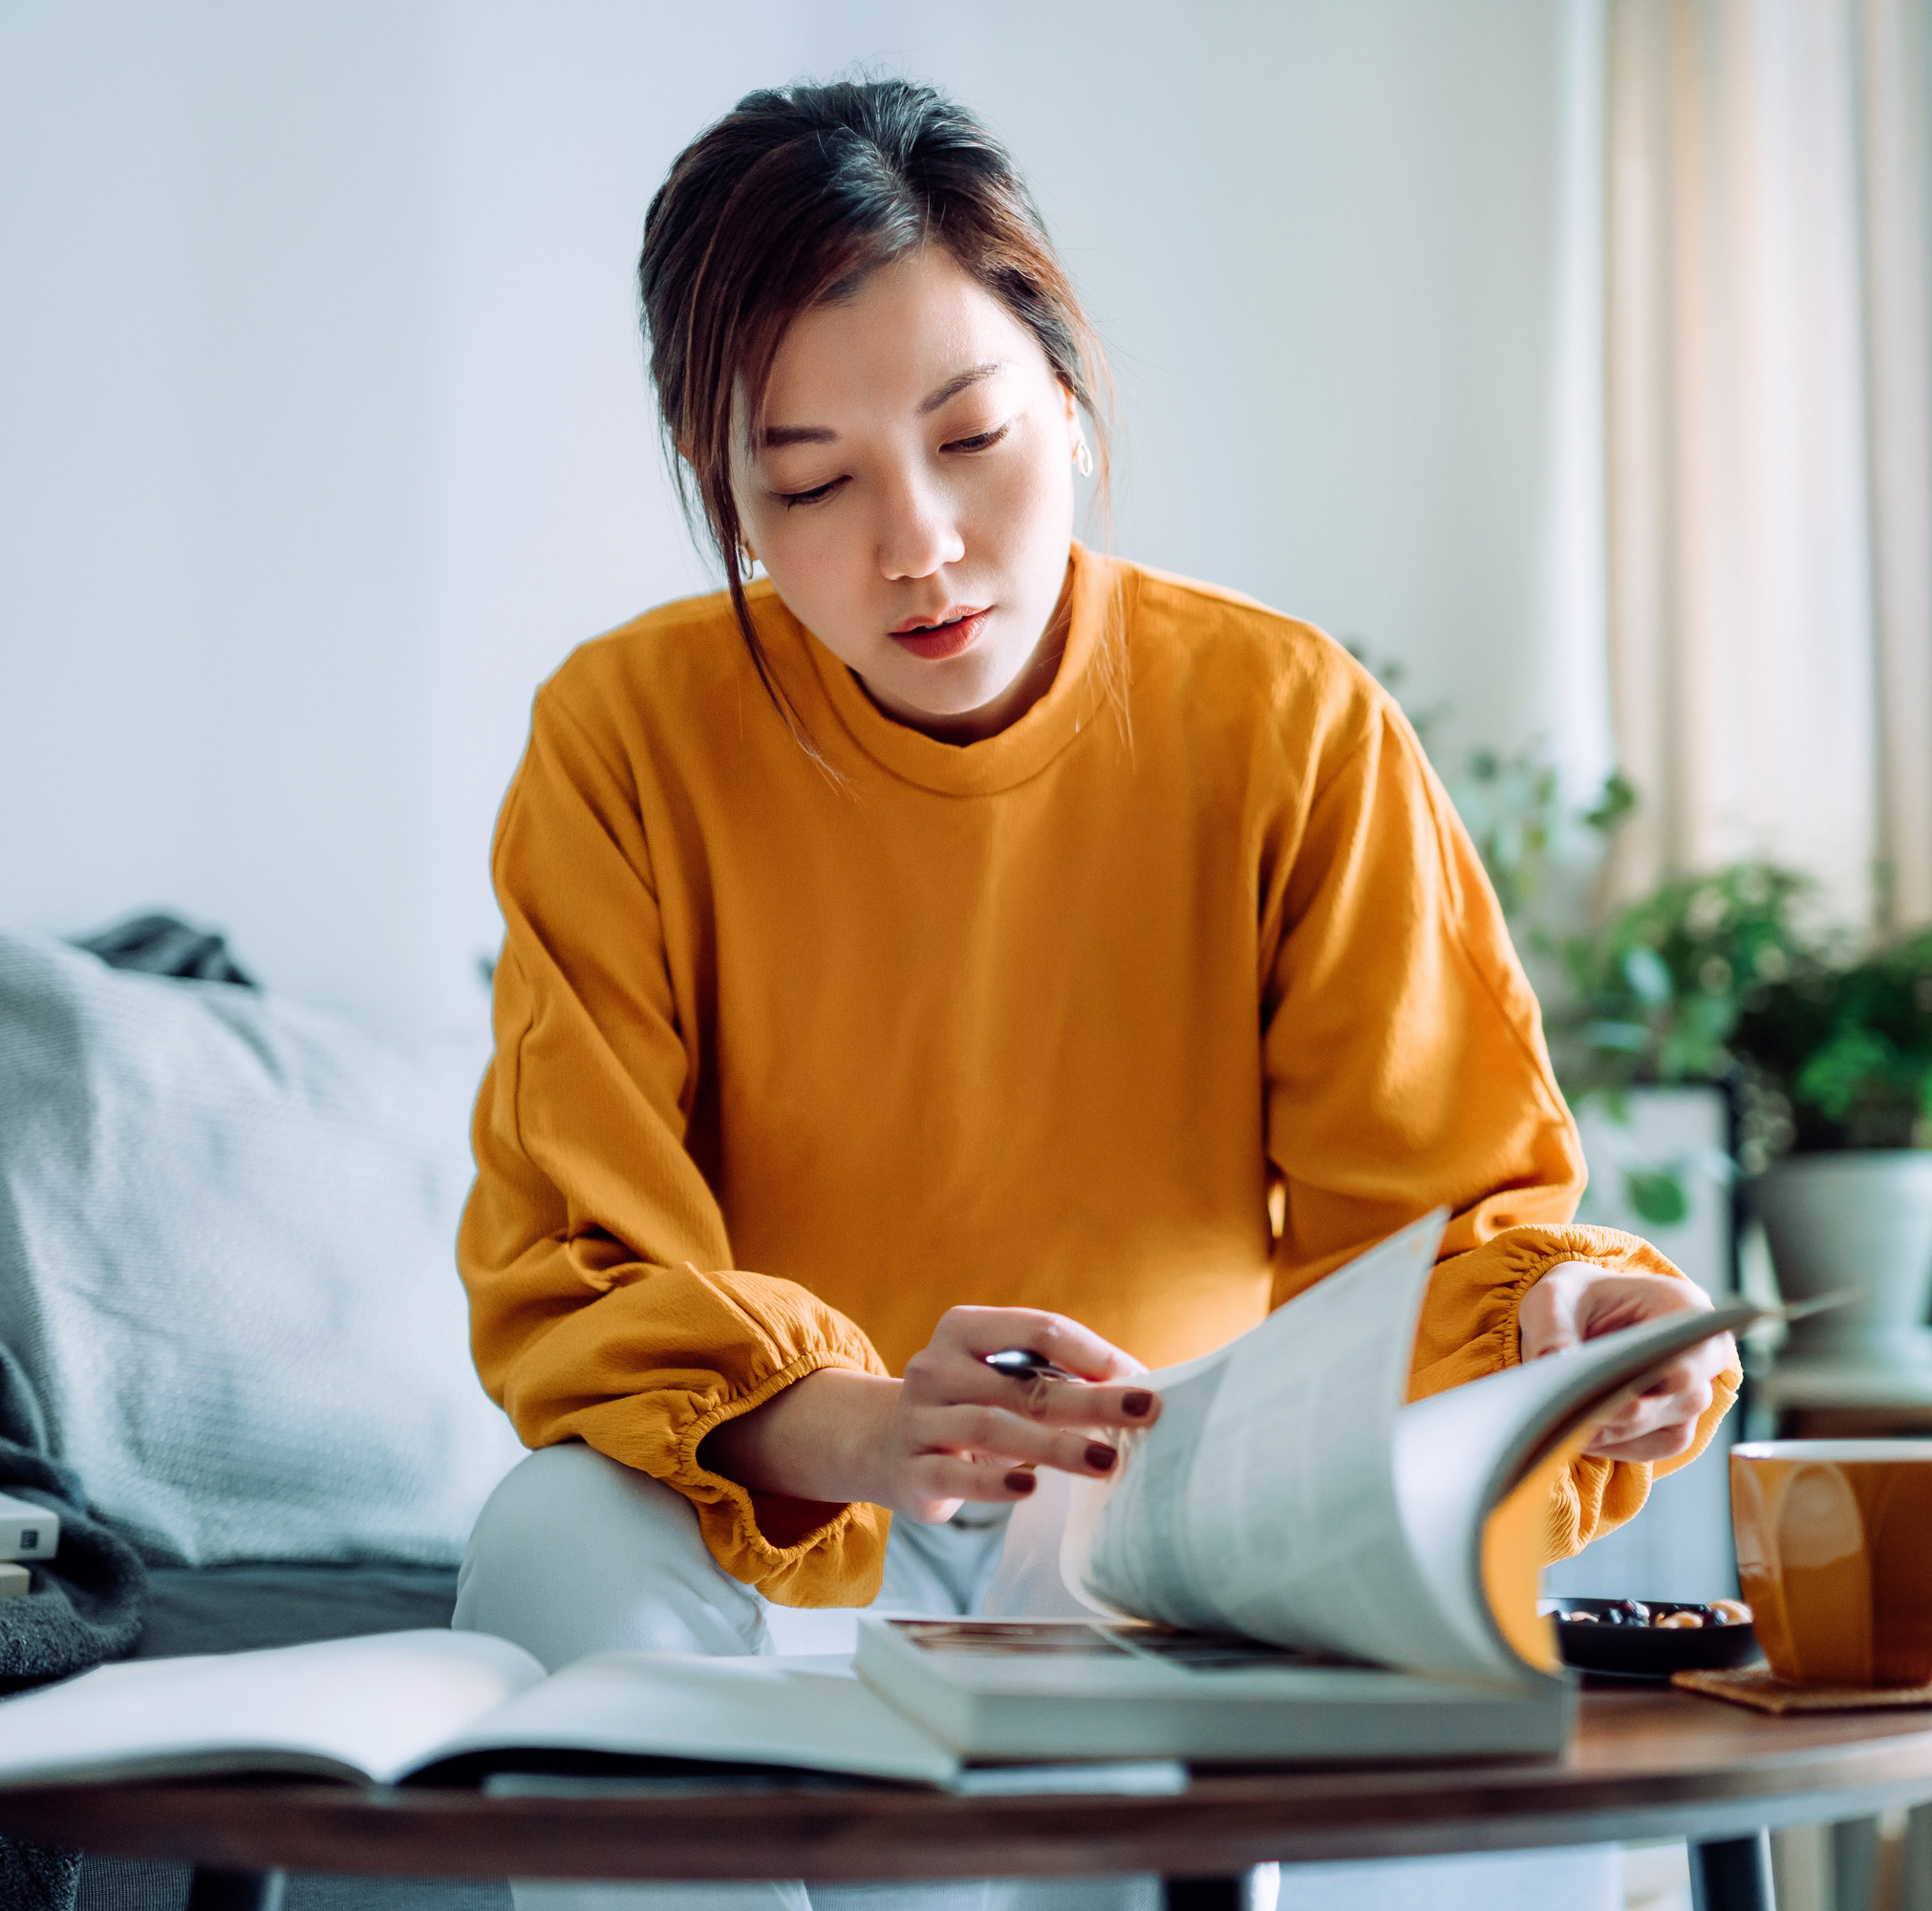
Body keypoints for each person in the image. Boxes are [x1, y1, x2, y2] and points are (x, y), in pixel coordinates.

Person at [451, 77, 1739, 1911]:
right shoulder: (623, 742)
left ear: (1068, 393)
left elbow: (1449, 1228)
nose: (915, 543)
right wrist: (882, 1426)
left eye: (970, 436)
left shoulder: (1287, 724)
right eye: (807, 483)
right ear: (726, 499)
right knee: (557, 1528)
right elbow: (582, 1265)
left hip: (1169, 1540)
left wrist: (1575, 1330)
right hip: (799, 1531)